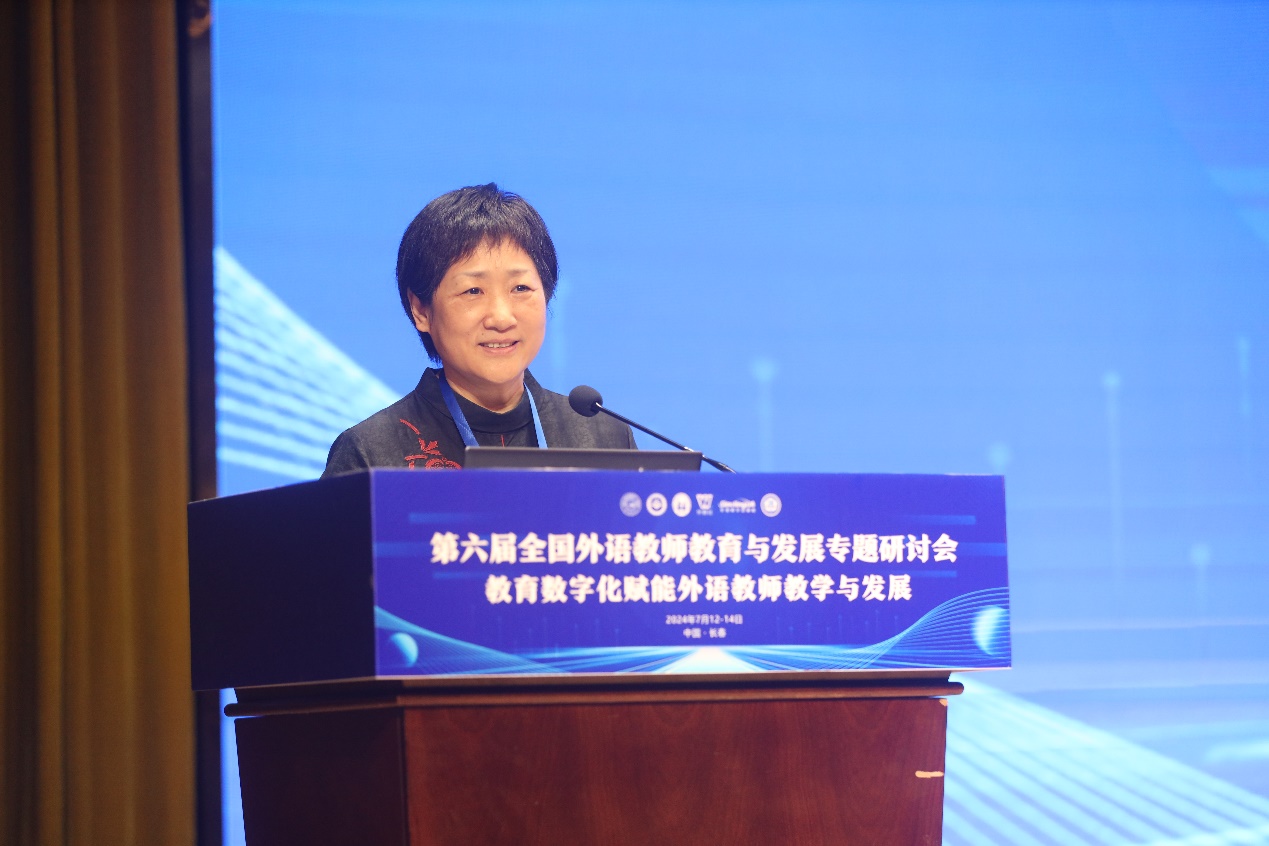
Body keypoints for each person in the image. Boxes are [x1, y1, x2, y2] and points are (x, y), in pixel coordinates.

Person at [322, 184, 635, 475]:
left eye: (521, 288)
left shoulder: (604, 438)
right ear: (421, 310)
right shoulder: (371, 453)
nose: (501, 318)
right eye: (473, 291)